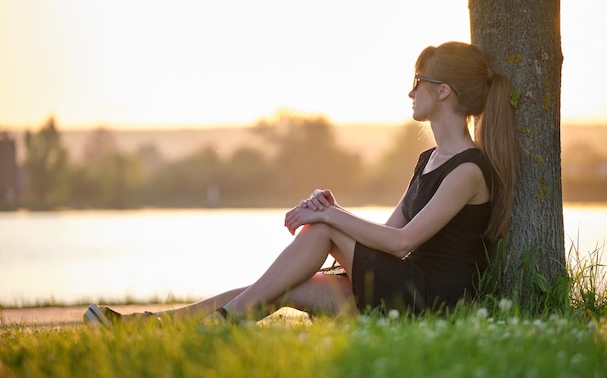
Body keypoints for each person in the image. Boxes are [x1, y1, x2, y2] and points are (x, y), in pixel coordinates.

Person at [83, 41, 517, 326]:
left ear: (444, 93)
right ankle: (150, 325)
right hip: (399, 288)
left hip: (429, 302)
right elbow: (385, 234)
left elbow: (402, 242)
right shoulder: (430, 160)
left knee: (323, 229)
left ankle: (220, 325)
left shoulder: (467, 170)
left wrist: (331, 217)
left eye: (419, 81)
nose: (410, 92)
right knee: (275, 288)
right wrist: (337, 211)